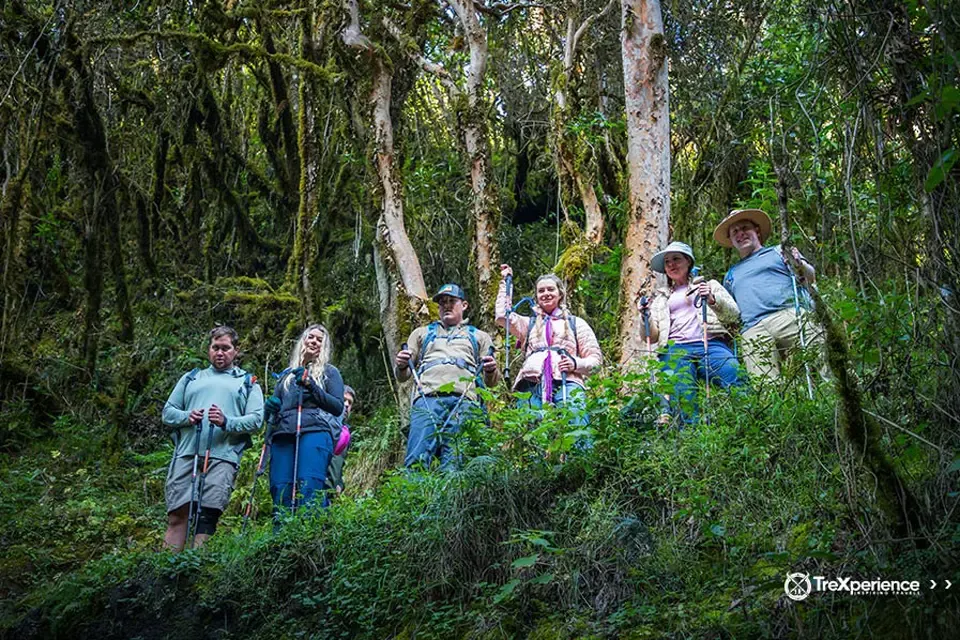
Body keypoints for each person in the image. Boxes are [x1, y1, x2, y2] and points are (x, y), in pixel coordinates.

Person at [162, 326, 264, 550]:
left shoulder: (248, 382)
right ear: (209, 349)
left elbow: (256, 420)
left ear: (236, 351)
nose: (220, 353)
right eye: (215, 348)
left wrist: (227, 421)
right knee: (178, 513)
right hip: (187, 452)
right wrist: (188, 416)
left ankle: (195, 566)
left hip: (224, 455)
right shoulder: (192, 377)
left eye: (226, 348)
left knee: (208, 514)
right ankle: (166, 567)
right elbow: (168, 412)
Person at [395, 283, 499, 470]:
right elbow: (403, 376)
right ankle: (416, 498)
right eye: (443, 302)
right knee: (416, 457)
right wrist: (402, 364)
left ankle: (449, 497)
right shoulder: (421, 334)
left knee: (456, 461)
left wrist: (491, 369)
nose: (447, 305)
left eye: (452, 301)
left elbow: (491, 382)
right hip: (427, 398)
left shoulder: (480, 337)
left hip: (464, 400)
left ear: (464, 305)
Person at [713, 209, 823, 383]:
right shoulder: (730, 275)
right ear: (731, 240)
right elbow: (731, 311)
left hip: (789, 314)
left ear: (757, 230)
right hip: (752, 328)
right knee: (764, 385)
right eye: (735, 232)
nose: (740, 234)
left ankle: (849, 402)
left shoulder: (779, 251)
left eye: (745, 228)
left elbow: (809, 277)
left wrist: (799, 263)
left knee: (824, 358)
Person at [638, 241, 742, 424]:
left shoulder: (709, 285)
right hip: (675, 348)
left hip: (710, 343)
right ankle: (690, 439)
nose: (671, 265)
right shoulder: (660, 298)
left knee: (735, 377)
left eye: (676, 259)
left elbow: (733, 314)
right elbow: (651, 336)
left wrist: (711, 299)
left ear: (688, 262)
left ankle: (745, 424)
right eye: (667, 262)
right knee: (683, 397)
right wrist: (645, 316)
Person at [496, 265, 602, 428]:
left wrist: (575, 364)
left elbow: (596, 362)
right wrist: (505, 282)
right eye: (541, 291)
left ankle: (577, 454)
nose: (546, 294)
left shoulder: (576, 323)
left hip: (568, 382)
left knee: (576, 427)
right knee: (531, 433)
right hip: (531, 381)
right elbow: (503, 316)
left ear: (560, 294)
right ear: (537, 296)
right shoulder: (528, 323)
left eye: (550, 289)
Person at [265, 324, 344, 516]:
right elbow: (273, 411)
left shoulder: (329, 372)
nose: (314, 341)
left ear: (324, 347)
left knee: (310, 483)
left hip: (315, 430)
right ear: (303, 341)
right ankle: (281, 537)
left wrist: (311, 386)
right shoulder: (286, 375)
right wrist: (270, 409)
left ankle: (310, 535)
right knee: (280, 486)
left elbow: (337, 406)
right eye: (311, 337)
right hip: (283, 433)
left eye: (319, 339)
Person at [325, 385, 355, 497]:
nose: (346, 405)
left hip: (331, 495)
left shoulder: (345, 435)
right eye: (344, 400)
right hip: (317, 489)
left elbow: (339, 466)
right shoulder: (322, 426)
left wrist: (340, 485)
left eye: (350, 402)